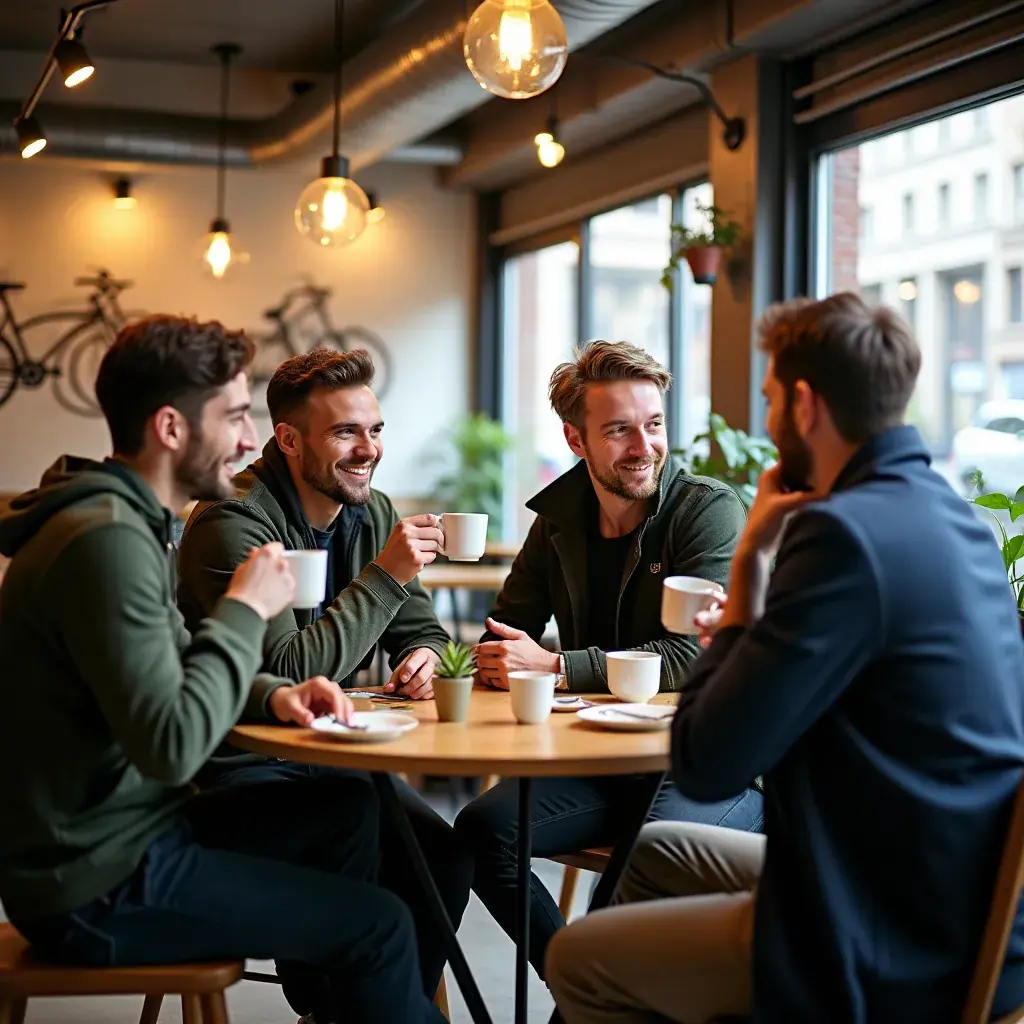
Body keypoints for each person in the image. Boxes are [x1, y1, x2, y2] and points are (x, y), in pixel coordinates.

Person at [546, 293, 1024, 1024]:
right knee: (659, 852)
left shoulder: (840, 536)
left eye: (769, 398)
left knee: (576, 962)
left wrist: (749, 569)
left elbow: (709, 762)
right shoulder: (949, 515)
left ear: (803, 405)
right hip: (967, 892)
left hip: (888, 929)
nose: (765, 419)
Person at [0, 315, 442, 1024]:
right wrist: (244, 609)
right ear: (172, 428)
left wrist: (278, 695)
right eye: (235, 416)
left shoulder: (123, 525)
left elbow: (174, 666)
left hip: (131, 834)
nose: (247, 439)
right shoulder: (107, 542)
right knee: (378, 926)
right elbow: (172, 743)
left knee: (351, 809)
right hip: (96, 880)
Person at [453, 340, 755, 979]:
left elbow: (694, 655)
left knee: (638, 873)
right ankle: (578, 982)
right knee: (481, 834)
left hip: (709, 761)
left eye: (653, 425)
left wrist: (557, 668)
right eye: (618, 430)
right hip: (606, 760)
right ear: (575, 439)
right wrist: (492, 660)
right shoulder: (559, 520)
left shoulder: (706, 510)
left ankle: (584, 1001)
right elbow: (507, 635)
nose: (644, 446)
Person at [176, 346, 470, 995]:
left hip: (338, 760)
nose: (368, 449)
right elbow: (282, 670)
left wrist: (422, 656)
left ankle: (381, 1008)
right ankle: (336, 1003)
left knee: (445, 857)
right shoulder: (232, 524)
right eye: (345, 432)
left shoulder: (374, 512)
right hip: (240, 768)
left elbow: (420, 628)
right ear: (287, 439)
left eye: (375, 430)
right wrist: (388, 575)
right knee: (359, 826)